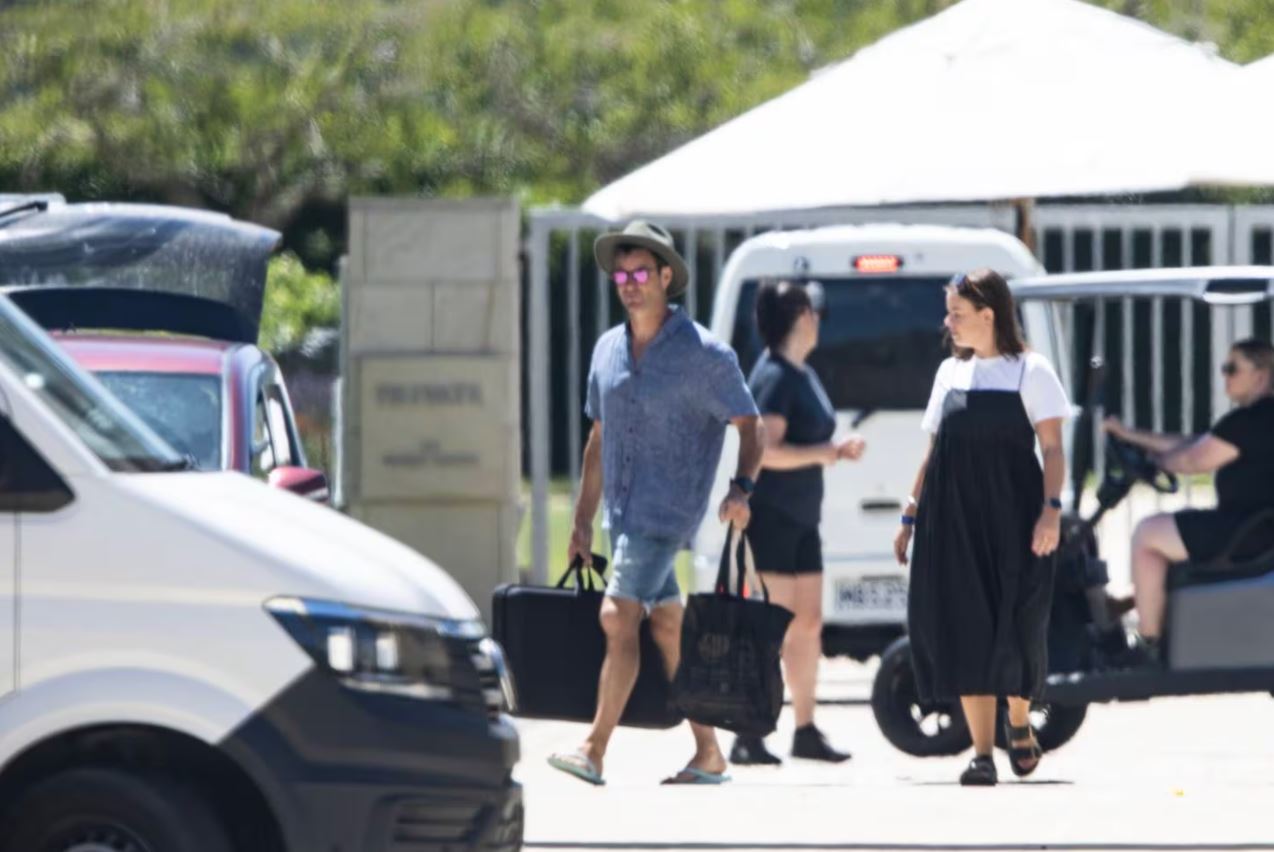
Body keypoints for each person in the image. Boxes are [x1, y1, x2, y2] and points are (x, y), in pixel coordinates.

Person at [548, 220, 765, 786]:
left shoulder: (705, 355)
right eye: (621, 274)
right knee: (666, 627)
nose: (630, 283)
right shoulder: (606, 351)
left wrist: (741, 488)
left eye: (641, 272)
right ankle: (709, 752)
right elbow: (599, 439)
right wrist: (581, 522)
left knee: (617, 616)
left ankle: (593, 749)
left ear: (667, 276)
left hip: (667, 514)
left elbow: (751, 425)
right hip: (621, 516)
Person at [894, 269, 1070, 787]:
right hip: (955, 518)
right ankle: (981, 753)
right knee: (967, 625)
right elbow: (933, 449)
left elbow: (1054, 448)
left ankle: (1018, 720)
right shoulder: (949, 373)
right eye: (949, 312)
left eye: (957, 314)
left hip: (1016, 515)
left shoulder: (1030, 371)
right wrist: (910, 513)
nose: (948, 323)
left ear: (989, 315)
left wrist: (1051, 509)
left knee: (1016, 621)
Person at [728, 280, 864, 767]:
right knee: (772, 629)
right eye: (816, 310)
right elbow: (767, 454)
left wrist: (833, 451)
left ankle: (804, 729)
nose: (820, 320)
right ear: (802, 316)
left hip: (804, 520)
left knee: (807, 625)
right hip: (774, 520)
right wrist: (828, 453)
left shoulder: (801, 372)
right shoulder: (775, 377)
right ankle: (748, 731)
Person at [1102, 338, 1274, 664]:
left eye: (1232, 368)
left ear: (1261, 375)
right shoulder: (1255, 421)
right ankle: (1145, 614)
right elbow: (1193, 444)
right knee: (1165, 531)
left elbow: (1193, 460)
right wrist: (1132, 437)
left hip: (1244, 532)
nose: (1224, 375)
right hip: (1253, 528)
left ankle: (1148, 644)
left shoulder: (1252, 421)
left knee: (1148, 534)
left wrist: (1153, 462)